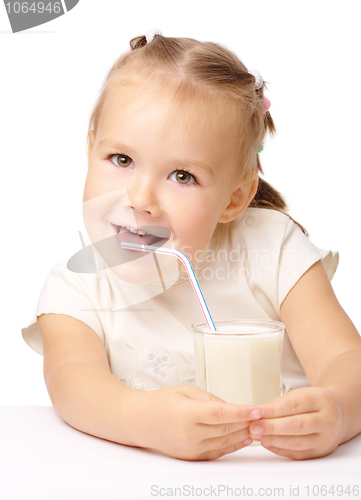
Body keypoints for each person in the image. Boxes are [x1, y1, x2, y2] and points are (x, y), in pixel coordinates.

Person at [22, 29, 361, 461]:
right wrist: (145, 420)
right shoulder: (77, 286)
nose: (141, 201)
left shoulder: (271, 248)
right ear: (91, 149)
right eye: (121, 160)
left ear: (234, 197)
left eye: (182, 176)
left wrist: (339, 409)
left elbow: (346, 358)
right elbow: (72, 384)